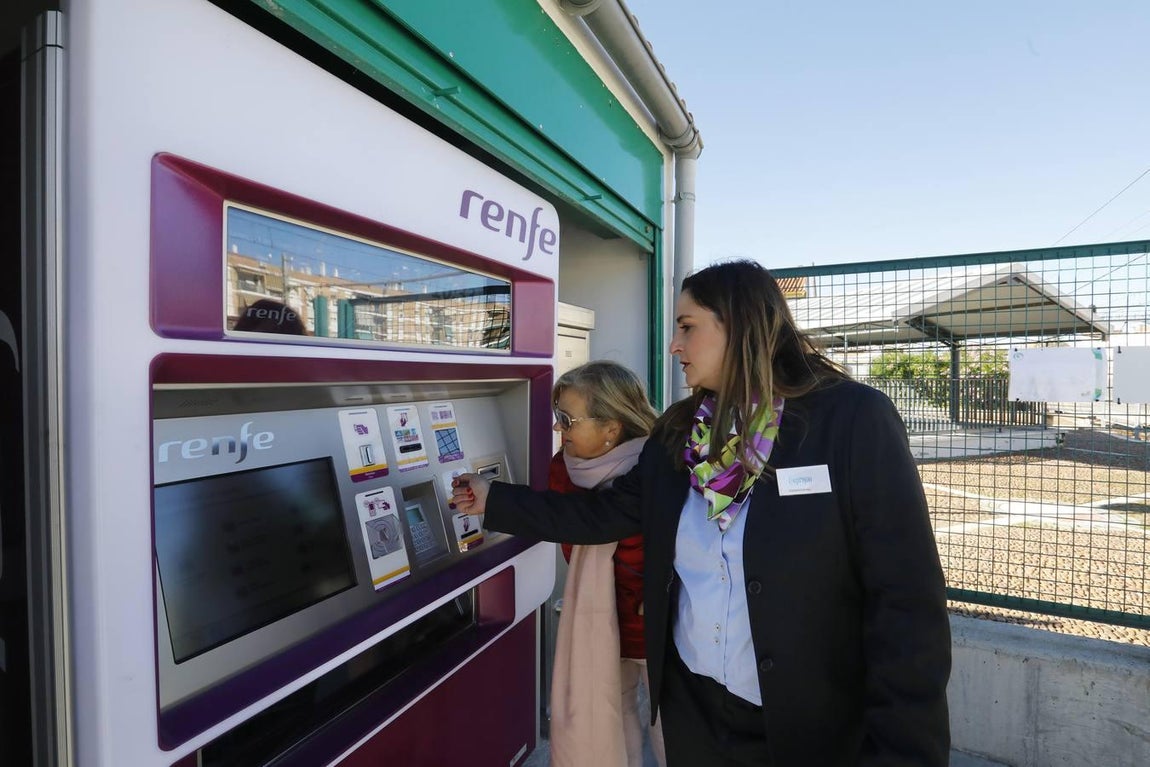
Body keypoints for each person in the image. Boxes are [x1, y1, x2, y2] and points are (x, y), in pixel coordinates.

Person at [453, 260, 951, 766]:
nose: (675, 345)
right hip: (695, 715)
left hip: (805, 724)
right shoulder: (679, 432)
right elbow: (604, 515)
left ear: (739, 325)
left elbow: (905, 598)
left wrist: (906, 750)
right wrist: (493, 499)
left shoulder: (849, 420)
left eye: (687, 327)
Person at [546, 361, 666, 767]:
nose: (559, 429)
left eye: (567, 419)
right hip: (601, 624)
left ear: (612, 428)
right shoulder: (561, 470)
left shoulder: (658, 466)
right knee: (610, 717)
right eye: (557, 416)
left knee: (669, 722)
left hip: (658, 622)